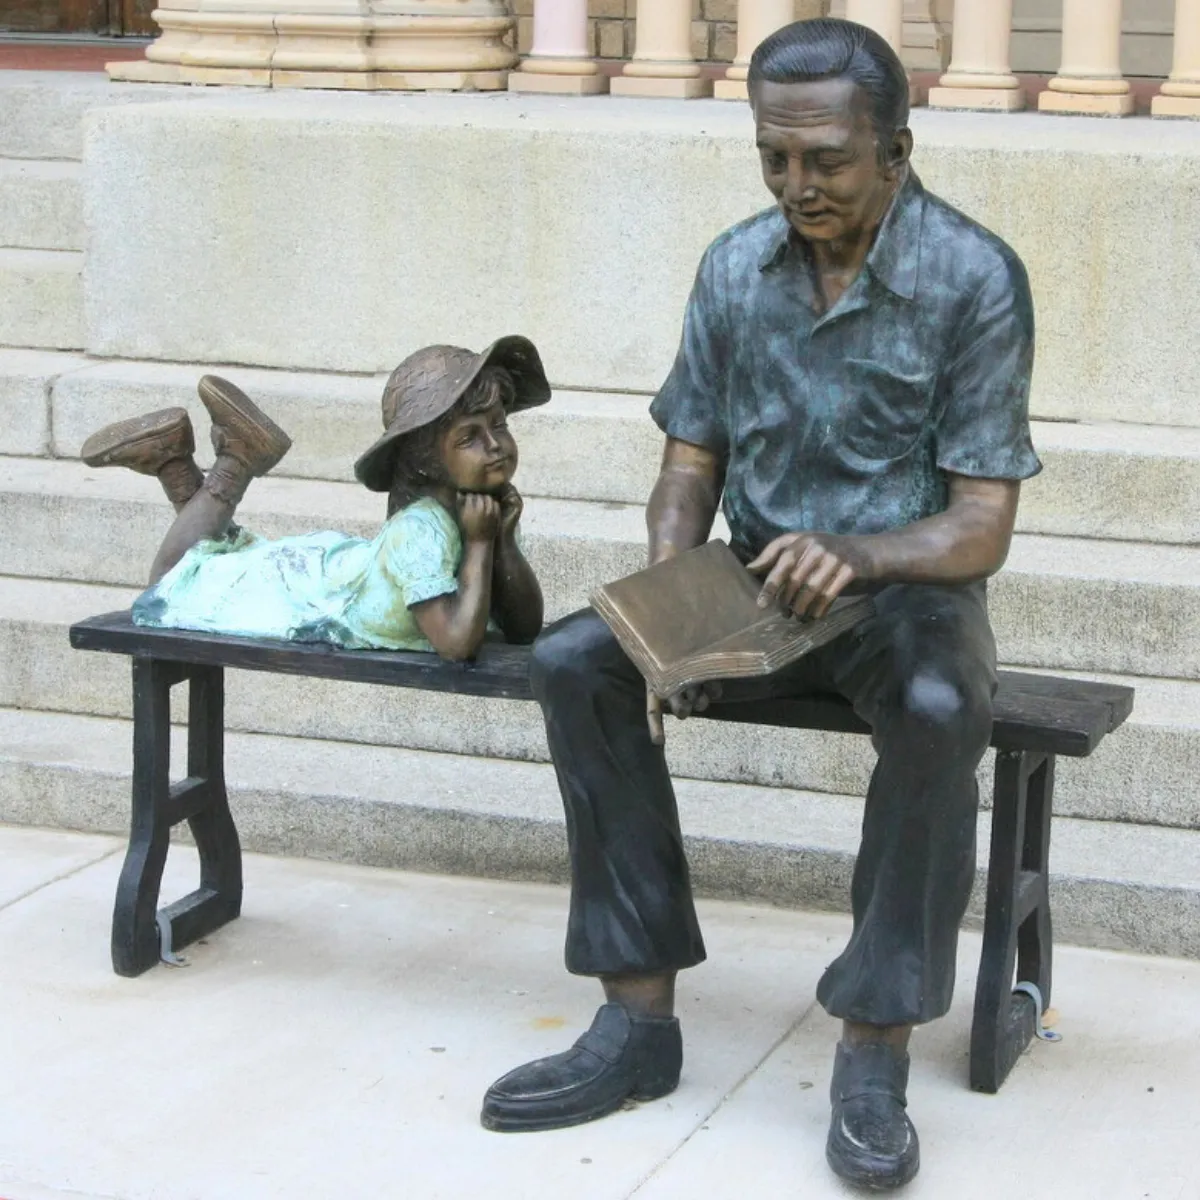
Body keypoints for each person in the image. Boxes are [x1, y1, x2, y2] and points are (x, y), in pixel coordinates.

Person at [480, 19, 1040, 1192]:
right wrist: (672, 590)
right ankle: (636, 1019)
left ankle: (875, 1044)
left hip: (905, 595)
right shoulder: (734, 269)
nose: (799, 186)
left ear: (895, 148)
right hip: (753, 587)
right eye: (775, 158)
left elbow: (982, 520)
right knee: (579, 662)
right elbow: (690, 463)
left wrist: (861, 552)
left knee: (943, 705)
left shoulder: (974, 277)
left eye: (827, 160)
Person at [79, 338, 549, 661]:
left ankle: (173, 462)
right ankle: (235, 460)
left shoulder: (482, 508)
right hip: (314, 597)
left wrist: (501, 539)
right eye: (470, 436)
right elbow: (455, 643)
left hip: (337, 579)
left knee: (209, 566)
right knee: (172, 580)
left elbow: (524, 626)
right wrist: (483, 546)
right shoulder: (421, 529)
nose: (495, 445)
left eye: (500, 425)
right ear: (425, 459)